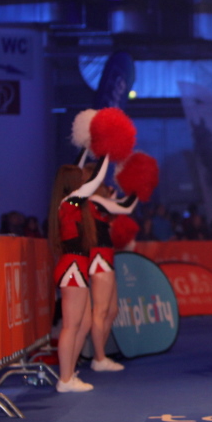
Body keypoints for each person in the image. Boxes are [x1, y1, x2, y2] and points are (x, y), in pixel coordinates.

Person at [47, 155, 109, 392]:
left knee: (83, 323)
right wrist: (106, 152)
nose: (84, 181)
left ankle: (69, 373)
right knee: (71, 326)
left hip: (77, 266)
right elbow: (96, 179)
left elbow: (82, 171)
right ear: (72, 183)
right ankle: (64, 380)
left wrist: (86, 147)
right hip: (72, 267)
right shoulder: (69, 203)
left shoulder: (70, 203)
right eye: (79, 179)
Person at [80, 159, 138, 373]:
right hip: (99, 256)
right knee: (101, 310)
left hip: (105, 255)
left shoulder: (96, 201)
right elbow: (126, 206)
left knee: (112, 310)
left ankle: (99, 354)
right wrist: (138, 188)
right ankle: (99, 357)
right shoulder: (92, 199)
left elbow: (118, 206)